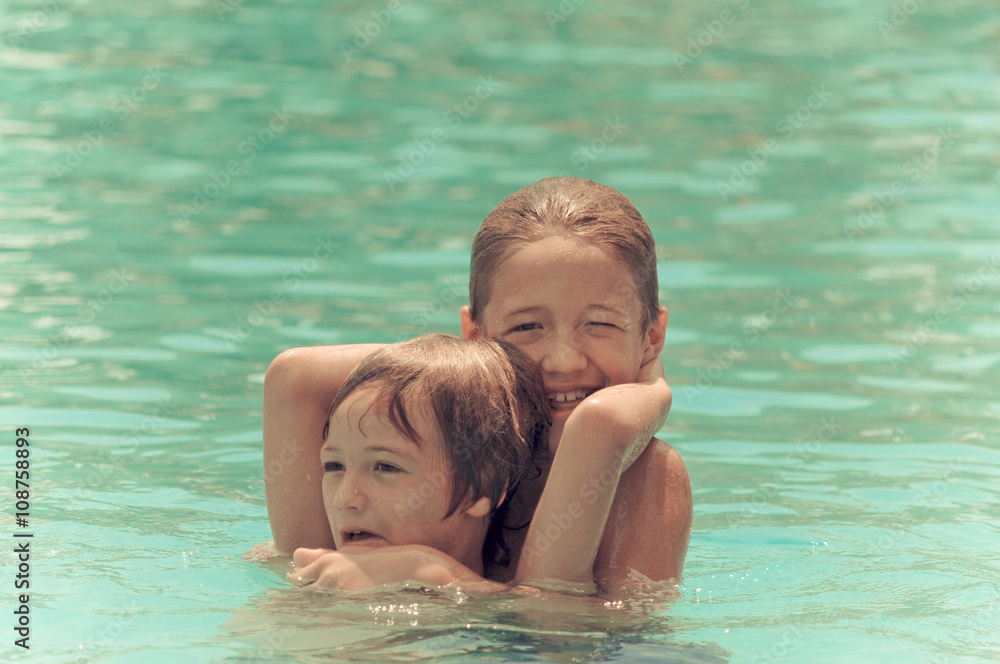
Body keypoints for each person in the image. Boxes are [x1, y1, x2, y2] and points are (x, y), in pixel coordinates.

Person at [266, 176, 692, 596]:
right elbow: (295, 377)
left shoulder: (647, 478)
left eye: (598, 324)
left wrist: (605, 425)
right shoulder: (440, 427)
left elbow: (579, 639)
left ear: (650, 338)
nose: (563, 361)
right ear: (475, 337)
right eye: (527, 326)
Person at [307, 334, 549, 588]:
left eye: (386, 467)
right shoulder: (311, 579)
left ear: (479, 490)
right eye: (334, 466)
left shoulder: (511, 618)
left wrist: (427, 570)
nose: (343, 499)